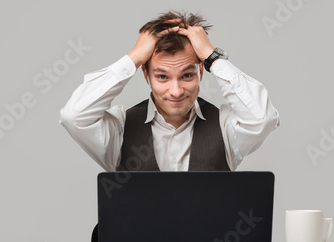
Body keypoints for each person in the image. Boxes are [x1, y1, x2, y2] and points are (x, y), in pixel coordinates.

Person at [59, 11, 280, 172]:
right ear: (146, 75)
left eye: (186, 75)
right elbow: (74, 117)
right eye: (162, 76)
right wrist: (134, 57)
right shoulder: (119, 129)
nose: (175, 91)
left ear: (201, 72)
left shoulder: (224, 127)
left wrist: (213, 57)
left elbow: (263, 118)